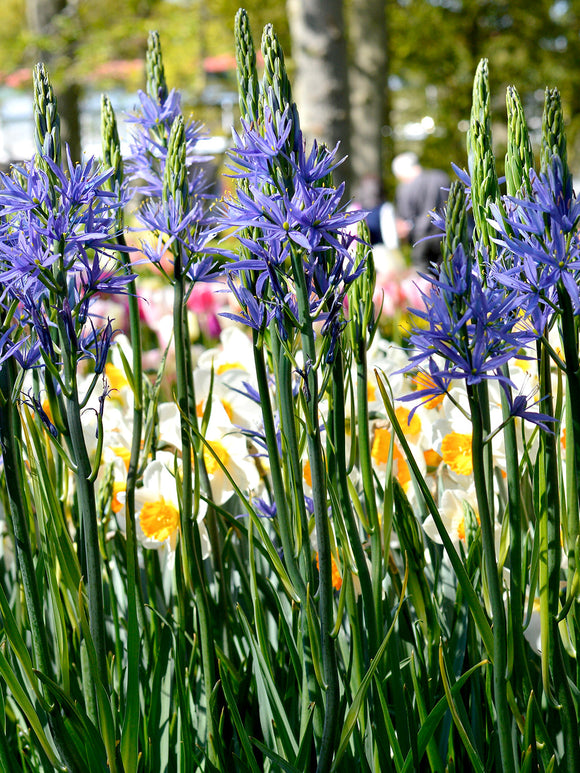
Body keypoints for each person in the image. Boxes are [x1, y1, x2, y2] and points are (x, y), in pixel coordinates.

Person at [392, 151, 449, 270]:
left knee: (425, 282)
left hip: (420, 240)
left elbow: (404, 223)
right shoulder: (441, 177)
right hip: (447, 235)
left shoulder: (405, 188)